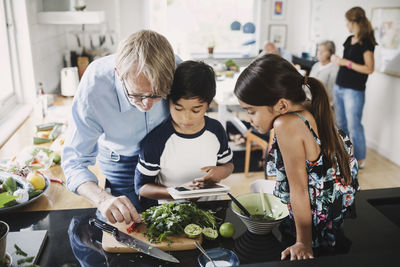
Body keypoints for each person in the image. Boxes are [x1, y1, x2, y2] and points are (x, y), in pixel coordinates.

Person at [234, 54, 359, 260]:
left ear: (282, 105)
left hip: (309, 229)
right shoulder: (309, 107)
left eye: (251, 111)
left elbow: (299, 189)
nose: (249, 120)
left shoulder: (286, 124)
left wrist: (303, 243)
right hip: (332, 223)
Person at [62, 30, 177, 224]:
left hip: (167, 156)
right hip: (120, 160)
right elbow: (74, 162)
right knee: (128, 221)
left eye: (157, 95)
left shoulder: (178, 68)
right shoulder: (95, 86)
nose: (147, 105)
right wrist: (103, 199)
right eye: (137, 95)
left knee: (170, 220)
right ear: (119, 73)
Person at [135, 60, 234, 202]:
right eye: (178, 108)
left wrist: (222, 172)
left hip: (212, 209)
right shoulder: (156, 141)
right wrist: (178, 192)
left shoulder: (216, 130)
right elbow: (141, 187)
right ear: (167, 100)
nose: (186, 118)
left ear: (209, 104)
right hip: (172, 215)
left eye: (196, 110)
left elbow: (228, 164)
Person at [331, 6, 377, 169]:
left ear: (354, 22)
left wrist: (345, 63)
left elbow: (369, 68)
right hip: (339, 86)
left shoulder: (367, 43)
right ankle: (345, 156)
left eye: (347, 22)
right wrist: (338, 61)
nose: (346, 25)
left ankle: (360, 159)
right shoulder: (349, 39)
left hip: (354, 91)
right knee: (341, 124)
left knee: (354, 125)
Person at [309, 40, 338, 106]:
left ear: (331, 53)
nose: (319, 53)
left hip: (323, 105)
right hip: (310, 101)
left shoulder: (334, 69)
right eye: (319, 50)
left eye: (323, 51)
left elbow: (331, 94)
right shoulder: (316, 65)